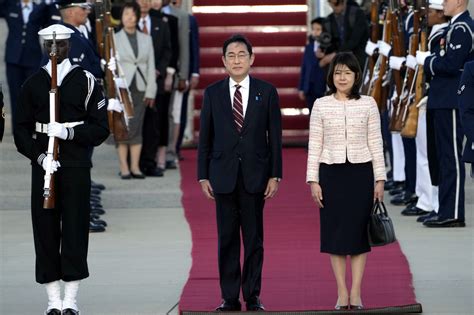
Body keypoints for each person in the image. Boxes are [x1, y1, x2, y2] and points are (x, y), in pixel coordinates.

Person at [13, 24, 109, 315]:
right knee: (45, 230)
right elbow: (20, 130)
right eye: (51, 46)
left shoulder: (87, 80)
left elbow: (100, 128)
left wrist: (70, 135)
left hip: (76, 162)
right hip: (45, 165)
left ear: (70, 47)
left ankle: (71, 300)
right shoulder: (32, 83)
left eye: (62, 46)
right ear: (44, 48)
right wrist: (40, 157)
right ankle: (53, 300)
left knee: (76, 228)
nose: (56, 50)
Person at [197, 34, 282, 312]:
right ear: (223, 61)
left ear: (252, 59)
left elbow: (275, 138)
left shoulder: (267, 92)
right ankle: (230, 297)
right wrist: (202, 175)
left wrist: (275, 174)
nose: (237, 60)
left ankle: (253, 295)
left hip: (255, 175)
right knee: (227, 239)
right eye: (231, 55)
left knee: (254, 239)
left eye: (242, 55)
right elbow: (205, 138)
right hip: (222, 175)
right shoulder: (212, 93)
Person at [306, 52, 385, 310]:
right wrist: (313, 180)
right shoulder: (321, 104)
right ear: (332, 76)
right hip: (331, 173)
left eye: (347, 73)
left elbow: (376, 143)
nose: (342, 77)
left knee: (359, 235)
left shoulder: (368, 103)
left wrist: (380, 179)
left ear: (356, 76)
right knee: (336, 235)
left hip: (361, 173)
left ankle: (356, 292)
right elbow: (314, 144)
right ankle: (341, 291)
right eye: (338, 72)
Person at [415, 0, 474, 227]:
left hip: (451, 98)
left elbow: (451, 64)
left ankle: (453, 213)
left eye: (446, 0)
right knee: (441, 157)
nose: (443, 5)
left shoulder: (462, 28)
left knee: (451, 157)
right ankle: (444, 209)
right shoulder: (452, 27)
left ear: (459, 1)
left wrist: (426, 61)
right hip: (441, 97)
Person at [113, 1, 157, 179]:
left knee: (137, 128)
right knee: (122, 127)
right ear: (121, 18)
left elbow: (150, 66)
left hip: (140, 87)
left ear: (138, 17)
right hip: (122, 88)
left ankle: (135, 167)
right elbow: (112, 66)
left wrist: (150, 91)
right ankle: (124, 167)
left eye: (132, 14)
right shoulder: (114, 38)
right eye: (126, 14)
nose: (130, 18)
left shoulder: (146, 39)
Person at [0, 0, 51, 128]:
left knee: (32, 93)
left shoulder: (41, 7)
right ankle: (18, 126)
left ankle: (31, 124)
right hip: (13, 58)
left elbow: (50, 21)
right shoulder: (11, 5)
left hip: (33, 57)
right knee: (15, 93)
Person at [136, 0, 172, 178]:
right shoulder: (129, 23)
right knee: (135, 125)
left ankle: (149, 163)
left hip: (155, 81)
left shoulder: (160, 24)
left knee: (152, 125)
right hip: (134, 83)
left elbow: (167, 51)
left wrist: (159, 70)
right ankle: (132, 164)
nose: (143, 3)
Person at [298, 17, 327, 112]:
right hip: (309, 88)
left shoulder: (328, 47)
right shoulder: (309, 46)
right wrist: (301, 87)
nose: (315, 32)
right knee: (312, 115)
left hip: (323, 87)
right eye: (313, 29)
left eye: (318, 29)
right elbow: (304, 67)